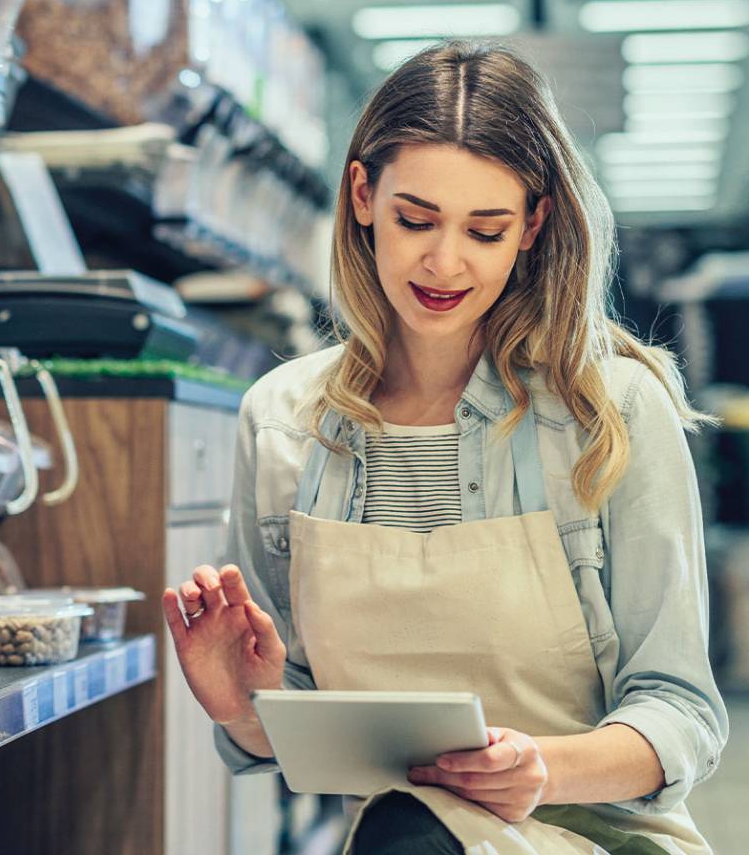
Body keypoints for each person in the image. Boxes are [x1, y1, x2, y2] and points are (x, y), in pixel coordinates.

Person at [162, 42, 729, 854]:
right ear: (362, 195)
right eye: (415, 219)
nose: (445, 261)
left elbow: (682, 709)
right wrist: (242, 709)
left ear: (533, 226)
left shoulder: (611, 413)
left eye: (486, 230)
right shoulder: (282, 422)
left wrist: (544, 769)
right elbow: (297, 732)